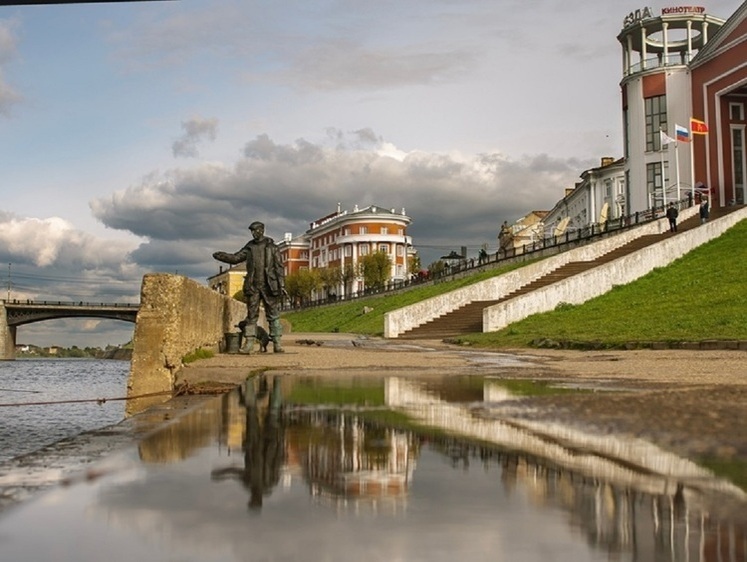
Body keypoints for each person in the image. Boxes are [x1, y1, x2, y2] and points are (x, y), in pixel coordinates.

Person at [213, 221, 287, 353]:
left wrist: (281, 284)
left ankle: (277, 343)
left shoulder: (272, 247)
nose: (253, 233)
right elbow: (236, 258)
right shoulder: (250, 247)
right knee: (251, 315)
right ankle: (249, 343)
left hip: (269, 285)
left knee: (273, 314)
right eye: (252, 231)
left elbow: (279, 267)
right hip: (253, 285)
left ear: (262, 230)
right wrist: (223, 256)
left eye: (255, 230)